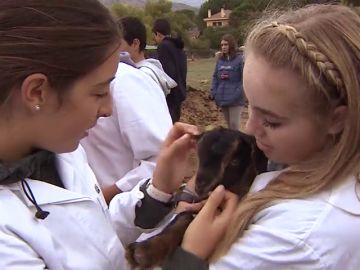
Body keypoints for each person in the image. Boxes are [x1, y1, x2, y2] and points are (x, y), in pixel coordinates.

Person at [0, 1, 215, 268]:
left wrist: (157, 192)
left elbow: (94, 234)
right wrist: (188, 259)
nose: (108, 109)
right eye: (99, 92)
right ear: (37, 92)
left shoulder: (61, 154)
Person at [163, 4, 360, 269]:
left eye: (271, 121)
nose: (250, 129)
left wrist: (188, 255)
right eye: (249, 105)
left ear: (336, 119)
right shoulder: (296, 168)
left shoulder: (295, 239)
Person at [80, 48, 173, 203]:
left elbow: (161, 160)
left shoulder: (125, 82)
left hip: (136, 215)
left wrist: (101, 199)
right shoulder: (62, 88)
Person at [118, 16, 177, 97]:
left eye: (118, 44)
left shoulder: (143, 78)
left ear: (135, 44)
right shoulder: (144, 72)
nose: (113, 49)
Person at [152, 18, 187, 123]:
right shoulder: (178, 46)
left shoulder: (163, 47)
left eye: (154, 36)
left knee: (167, 129)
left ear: (157, 33)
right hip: (180, 93)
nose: (154, 39)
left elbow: (166, 74)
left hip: (170, 98)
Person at [211, 34, 245, 130]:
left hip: (235, 100)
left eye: (226, 44)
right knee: (229, 127)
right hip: (223, 98)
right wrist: (214, 93)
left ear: (231, 45)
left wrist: (238, 94)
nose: (223, 47)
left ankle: (239, 144)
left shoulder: (239, 60)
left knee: (234, 126)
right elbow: (215, 77)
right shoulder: (220, 61)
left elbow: (244, 79)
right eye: (222, 45)